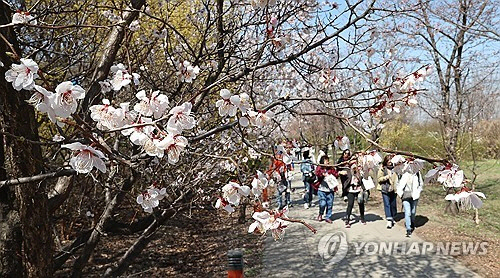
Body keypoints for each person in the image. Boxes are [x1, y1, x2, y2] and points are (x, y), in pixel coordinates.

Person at [397, 170, 423, 237]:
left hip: (415, 195)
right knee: (407, 212)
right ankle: (408, 229)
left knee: (413, 212)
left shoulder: (417, 173)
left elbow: (421, 184)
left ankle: (412, 222)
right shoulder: (404, 172)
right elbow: (399, 184)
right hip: (405, 195)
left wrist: (418, 191)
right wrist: (400, 194)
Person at [313, 155, 338, 223]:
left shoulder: (331, 168)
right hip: (321, 189)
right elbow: (317, 174)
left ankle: (328, 217)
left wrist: (334, 172)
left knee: (330, 204)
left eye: (327, 160)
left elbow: (336, 175)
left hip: (330, 189)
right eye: (326, 160)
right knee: (322, 203)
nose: (327, 162)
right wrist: (322, 174)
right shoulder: (319, 168)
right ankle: (320, 213)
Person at [377, 155, 398, 229]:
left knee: (393, 204)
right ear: (386, 161)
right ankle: (389, 219)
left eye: (391, 161)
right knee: (387, 203)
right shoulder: (382, 169)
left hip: (393, 188)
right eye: (388, 161)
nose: (390, 162)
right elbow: (379, 179)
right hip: (385, 188)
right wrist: (387, 177)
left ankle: (393, 216)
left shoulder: (396, 168)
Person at [344, 163, 367, 228]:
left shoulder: (360, 173)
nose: (354, 168)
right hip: (350, 190)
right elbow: (343, 177)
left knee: (361, 203)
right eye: (352, 166)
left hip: (358, 190)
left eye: (355, 166)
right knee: (350, 204)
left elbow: (364, 178)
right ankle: (347, 219)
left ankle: (362, 218)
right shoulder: (348, 172)